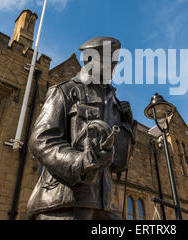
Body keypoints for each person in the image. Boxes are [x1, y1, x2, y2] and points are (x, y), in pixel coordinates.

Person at [27, 36, 135, 220]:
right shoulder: (65, 91)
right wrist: (80, 161)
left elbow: (119, 163)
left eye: (116, 60)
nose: (114, 65)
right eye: (109, 59)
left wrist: (128, 127)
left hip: (106, 206)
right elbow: (40, 140)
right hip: (64, 202)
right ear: (90, 59)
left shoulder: (115, 105)